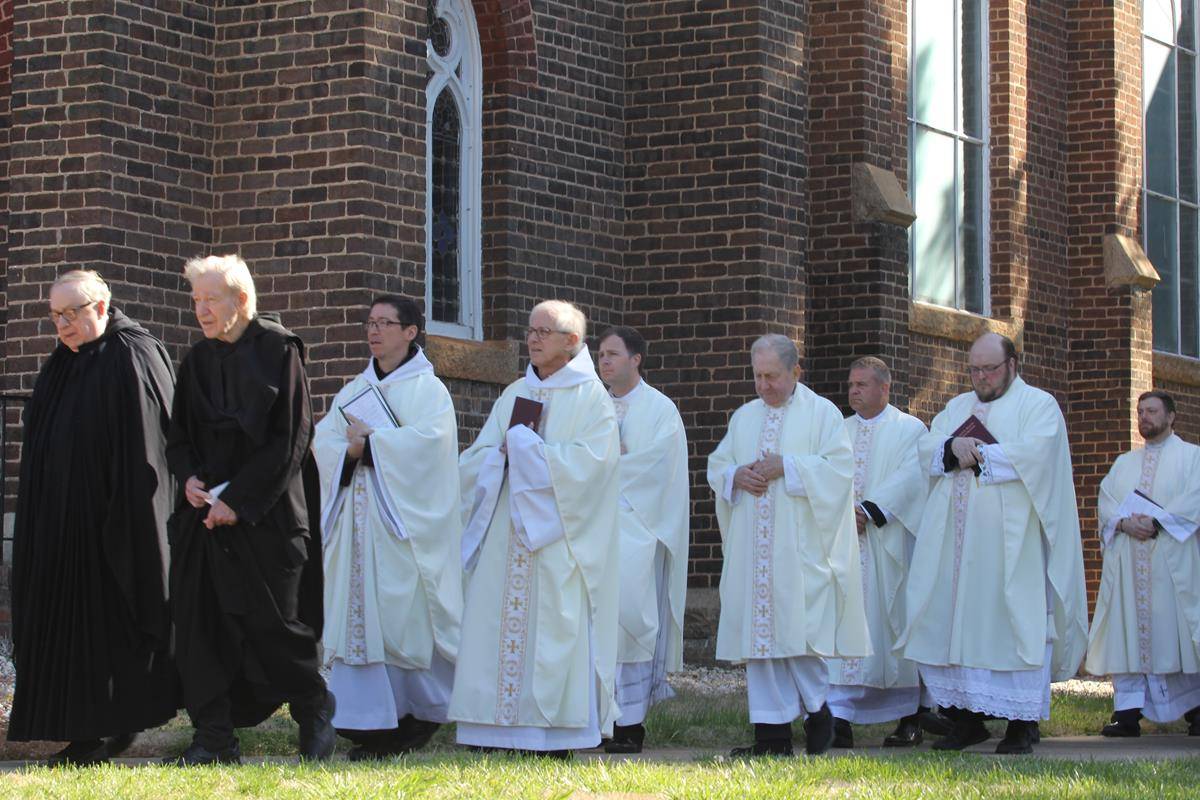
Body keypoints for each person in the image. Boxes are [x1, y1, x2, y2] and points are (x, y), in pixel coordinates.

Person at [165, 255, 335, 765]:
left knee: (275, 629)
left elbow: (289, 440)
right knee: (201, 630)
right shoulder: (195, 362)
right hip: (204, 521)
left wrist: (237, 502)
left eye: (210, 299)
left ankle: (313, 709)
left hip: (267, 519)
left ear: (241, 299)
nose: (201, 310)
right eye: (195, 300)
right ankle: (214, 738)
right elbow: (179, 438)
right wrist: (191, 479)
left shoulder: (279, 352)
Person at [8, 270, 177, 766]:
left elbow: (150, 443)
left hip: (113, 525)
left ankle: (112, 727)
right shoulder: (64, 362)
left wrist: (122, 515)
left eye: (72, 313)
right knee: (67, 629)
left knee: (111, 625)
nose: (62, 325)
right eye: (55, 316)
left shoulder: (133, 353)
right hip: (63, 526)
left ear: (101, 306)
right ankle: (81, 730)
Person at [899, 332, 1088, 754]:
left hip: (1011, 542)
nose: (981, 377)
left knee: (1014, 622)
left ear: (1012, 365)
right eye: (974, 369)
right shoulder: (956, 407)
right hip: (956, 544)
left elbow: (1039, 454)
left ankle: (1021, 724)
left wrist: (980, 453)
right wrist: (952, 445)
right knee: (955, 621)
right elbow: (927, 446)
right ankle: (966, 721)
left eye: (989, 369)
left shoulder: (1039, 405)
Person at [450, 300, 621, 756]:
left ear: (572, 342)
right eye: (531, 330)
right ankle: (491, 728)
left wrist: (529, 451)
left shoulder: (591, 399)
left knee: (553, 628)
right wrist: (502, 455)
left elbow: (593, 468)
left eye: (545, 331)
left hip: (557, 540)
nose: (534, 338)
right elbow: (477, 458)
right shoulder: (512, 394)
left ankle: (552, 734)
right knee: (494, 623)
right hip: (508, 536)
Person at [313, 295, 463, 759]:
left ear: (411, 332)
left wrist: (375, 444)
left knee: (405, 619)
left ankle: (415, 715)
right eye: (370, 322)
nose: (374, 331)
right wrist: (349, 452)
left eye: (385, 323)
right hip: (356, 527)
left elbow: (431, 448)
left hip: (401, 529)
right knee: (359, 620)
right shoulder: (355, 389)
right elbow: (324, 441)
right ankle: (364, 723)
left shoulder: (428, 391)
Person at [707, 334, 870, 756]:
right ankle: (771, 738)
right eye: (758, 377)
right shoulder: (744, 417)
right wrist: (734, 476)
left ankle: (819, 711)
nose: (764, 386)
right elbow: (718, 464)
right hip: (754, 549)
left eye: (772, 377)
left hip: (799, 548)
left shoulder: (822, 414)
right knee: (761, 645)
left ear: (796, 372)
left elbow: (839, 470)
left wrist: (789, 466)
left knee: (799, 637)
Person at [825, 357, 930, 748]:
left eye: (862, 385)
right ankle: (840, 717)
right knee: (841, 628)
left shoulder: (909, 429)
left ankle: (909, 717)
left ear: (885, 387)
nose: (853, 391)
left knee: (892, 625)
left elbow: (913, 475)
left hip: (888, 545)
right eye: (851, 384)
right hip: (843, 545)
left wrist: (869, 510)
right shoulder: (838, 429)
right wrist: (838, 513)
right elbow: (826, 472)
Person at [595, 326, 690, 754]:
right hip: (592, 529)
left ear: (636, 359)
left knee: (630, 621)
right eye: (600, 355)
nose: (604, 362)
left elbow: (657, 467)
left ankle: (629, 724)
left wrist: (606, 462)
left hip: (637, 527)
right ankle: (594, 720)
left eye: (613, 354)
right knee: (594, 626)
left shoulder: (659, 409)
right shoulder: (591, 404)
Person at [1085, 390, 1200, 736]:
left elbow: (1194, 497)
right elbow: (1106, 501)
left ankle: (1195, 710)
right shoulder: (1124, 463)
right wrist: (1122, 523)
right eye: (1140, 412)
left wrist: (1157, 522)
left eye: (1152, 411)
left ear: (1171, 416)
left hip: (1170, 563)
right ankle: (1127, 713)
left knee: (1177, 633)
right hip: (1128, 565)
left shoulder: (1192, 457)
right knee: (1127, 633)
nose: (1145, 417)